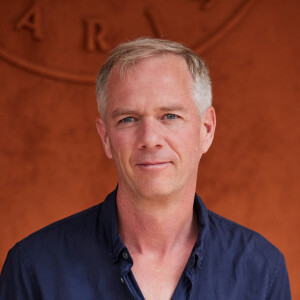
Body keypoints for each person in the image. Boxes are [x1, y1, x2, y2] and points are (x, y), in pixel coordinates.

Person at [0, 38, 291, 300]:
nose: (149, 139)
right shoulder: (33, 267)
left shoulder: (262, 270)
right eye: (128, 119)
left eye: (170, 116)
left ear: (206, 129)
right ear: (105, 137)